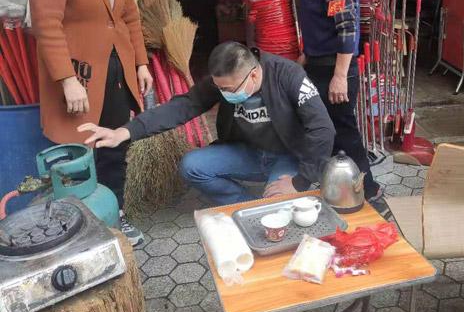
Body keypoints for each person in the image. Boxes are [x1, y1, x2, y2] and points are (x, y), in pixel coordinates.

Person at [28, 0, 153, 246]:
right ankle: (79, 229)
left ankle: (116, 214)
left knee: (114, 147)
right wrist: (67, 80)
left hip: (116, 73)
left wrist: (140, 63)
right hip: (78, 77)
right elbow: (47, 26)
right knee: (78, 153)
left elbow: (129, 17)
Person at [78, 43, 336, 205]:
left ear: (254, 74)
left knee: (279, 203)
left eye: (230, 89)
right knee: (192, 166)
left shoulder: (288, 75)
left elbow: (323, 129)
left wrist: (300, 181)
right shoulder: (223, 82)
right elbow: (184, 105)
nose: (224, 94)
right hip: (248, 153)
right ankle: (245, 204)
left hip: (286, 155)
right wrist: (126, 131)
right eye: (220, 88)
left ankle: (271, 201)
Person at [282, 0, 381, 205]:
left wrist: (340, 76)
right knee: (325, 129)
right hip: (317, 64)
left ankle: (370, 191)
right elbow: (321, 22)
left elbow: (347, 30)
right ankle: (336, 183)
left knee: (343, 132)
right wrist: (306, 54)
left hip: (335, 69)